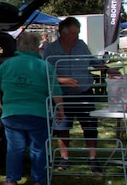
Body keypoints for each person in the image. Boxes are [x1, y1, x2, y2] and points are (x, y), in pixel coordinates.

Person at [0, 31, 64, 185]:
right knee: (39, 147)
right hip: (38, 113)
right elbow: (55, 90)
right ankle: (38, 182)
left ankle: (11, 181)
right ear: (36, 47)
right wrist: (60, 109)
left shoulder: (6, 65)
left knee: (15, 147)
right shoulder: (45, 66)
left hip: (12, 113)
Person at [41, 16, 115, 172]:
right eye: (74, 33)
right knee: (62, 127)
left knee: (90, 126)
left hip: (84, 94)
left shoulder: (81, 46)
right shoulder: (51, 50)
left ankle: (93, 159)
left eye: (78, 33)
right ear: (63, 33)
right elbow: (45, 73)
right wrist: (62, 80)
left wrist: (108, 69)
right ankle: (64, 159)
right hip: (63, 96)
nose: (77, 37)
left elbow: (93, 62)